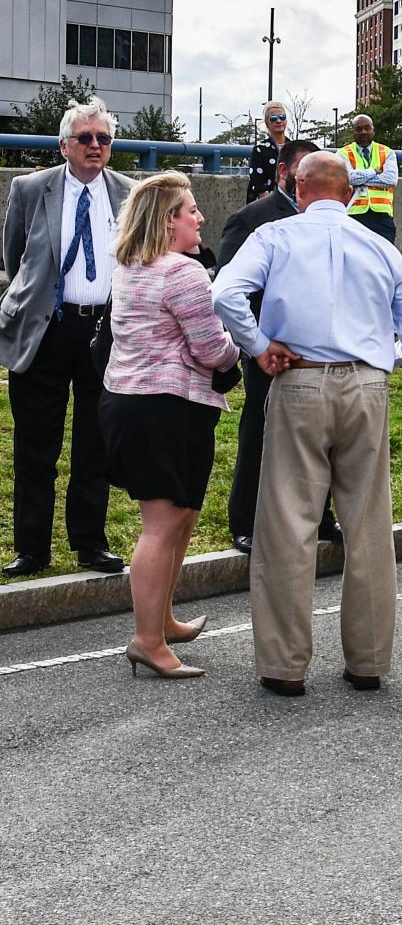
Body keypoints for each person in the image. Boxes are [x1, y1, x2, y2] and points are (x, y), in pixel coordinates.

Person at [211, 152, 402, 697]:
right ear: (351, 193)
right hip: (366, 384)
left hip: (300, 379)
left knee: (288, 525)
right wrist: (381, 354)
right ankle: (367, 662)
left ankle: (285, 665)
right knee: (368, 524)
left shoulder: (274, 237)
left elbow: (224, 293)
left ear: (297, 183)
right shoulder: (380, 246)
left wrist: (261, 345)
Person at [100, 173, 240, 680]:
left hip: (133, 405)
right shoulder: (183, 272)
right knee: (162, 527)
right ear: (167, 221)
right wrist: (236, 350)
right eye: (190, 210)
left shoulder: (129, 267)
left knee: (178, 518)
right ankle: (146, 640)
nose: (199, 218)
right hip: (165, 409)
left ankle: (161, 622)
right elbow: (211, 347)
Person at [0, 99, 133, 576]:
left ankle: (90, 543)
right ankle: (32, 548)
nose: (95, 146)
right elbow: (15, 257)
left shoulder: (130, 192)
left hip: (104, 333)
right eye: (86, 138)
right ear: (64, 145)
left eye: (103, 139)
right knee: (37, 444)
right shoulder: (32, 189)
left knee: (94, 442)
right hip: (47, 330)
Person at [217, 138, 339, 554]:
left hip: (321, 352)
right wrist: (261, 344)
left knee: (321, 436)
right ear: (285, 173)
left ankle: (321, 516)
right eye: (308, 173)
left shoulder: (332, 220)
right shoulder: (252, 219)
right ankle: (246, 520)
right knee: (260, 432)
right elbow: (231, 289)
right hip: (270, 351)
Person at [339, 113, 399, 245]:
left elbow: (390, 180)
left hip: (382, 216)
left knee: (384, 259)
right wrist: (374, 171)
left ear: (373, 130)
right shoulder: (343, 153)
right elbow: (348, 178)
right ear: (353, 132)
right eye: (359, 129)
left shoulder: (387, 152)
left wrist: (360, 179)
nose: (363, 132)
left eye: (367, 128)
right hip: (353, 214)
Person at [245, 101, 288, 203]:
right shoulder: (260, 149)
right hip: (267, 203)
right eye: (273, 119)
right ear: (267, 123)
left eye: (282, 117)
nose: (278, 121)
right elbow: (257, 180)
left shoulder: (293, 148)